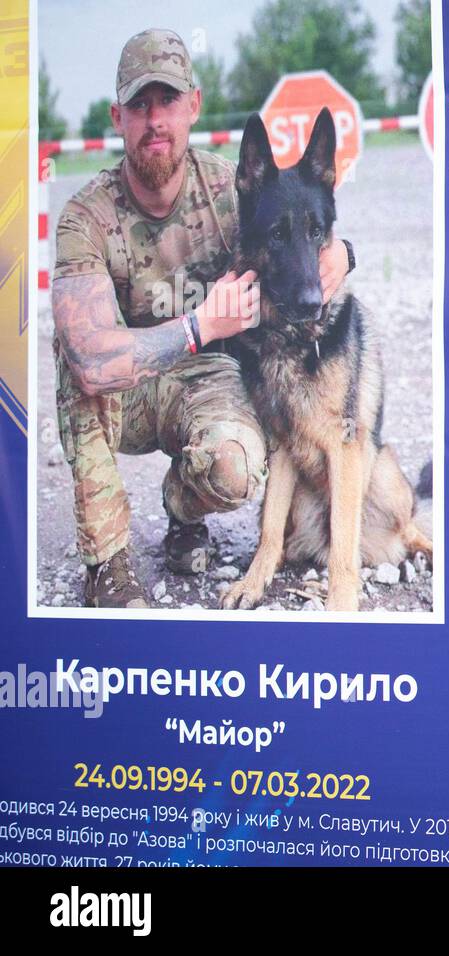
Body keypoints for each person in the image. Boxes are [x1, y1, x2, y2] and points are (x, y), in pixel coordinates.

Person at [51, 29, 354, 607]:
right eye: (139, 105)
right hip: (122, 395)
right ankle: (108, 563)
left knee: (237, 468)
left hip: (203, 382)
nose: (154, 120)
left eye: (167, 101)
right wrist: (199, 327)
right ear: (118, 117)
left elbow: (302, 223)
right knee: (76, 367)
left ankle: (183, 508)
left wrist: (342, 253)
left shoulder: (231, 187)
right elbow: (91, 360)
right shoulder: (84, 216)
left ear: (193, 105)